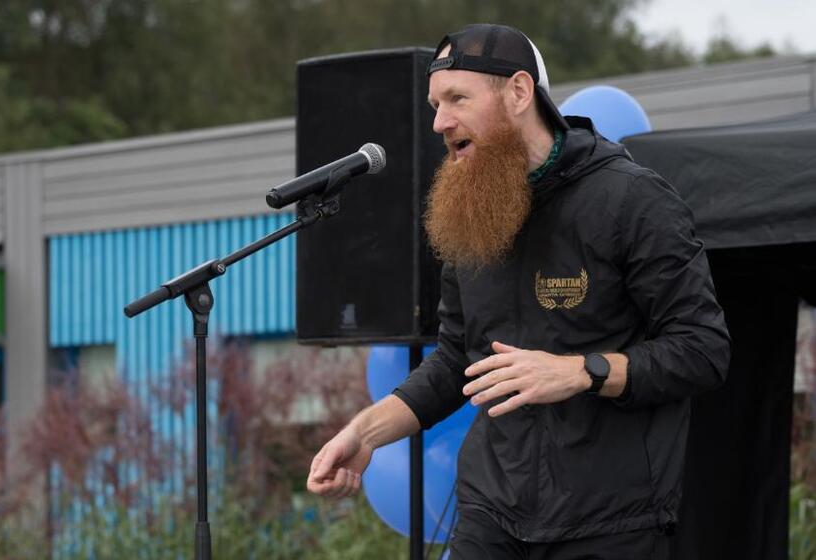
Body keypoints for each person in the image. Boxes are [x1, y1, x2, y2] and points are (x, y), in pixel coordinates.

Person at [306, 23, 731, 559]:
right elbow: (456, 360)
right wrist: (364, 434)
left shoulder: (631, 199)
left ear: (519, 92)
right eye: (435, 105)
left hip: (611, 519)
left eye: (457, 99)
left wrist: (579, 372)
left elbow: (702, 350)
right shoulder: (470, 209)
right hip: (491, 513)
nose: (440, 122)